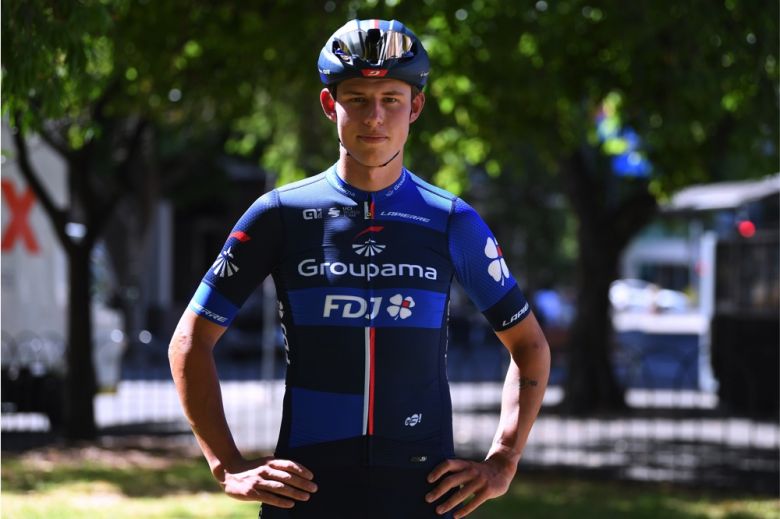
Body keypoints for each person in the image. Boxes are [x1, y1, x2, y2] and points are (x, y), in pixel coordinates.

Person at [169, 18, 550, 519]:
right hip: (307, 493)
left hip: (422, 494)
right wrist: (227, 466)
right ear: (331, 105)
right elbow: (189, 342)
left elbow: (529, 346)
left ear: (415, 107)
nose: (375, 117)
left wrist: (503, 459)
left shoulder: (451, 221)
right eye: (357, 99)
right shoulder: (279, 215)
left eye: (391, 99)